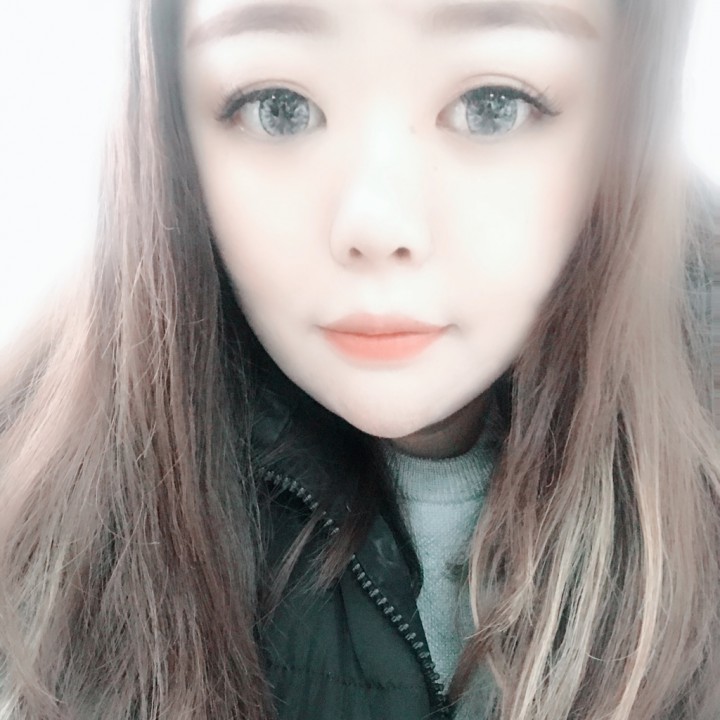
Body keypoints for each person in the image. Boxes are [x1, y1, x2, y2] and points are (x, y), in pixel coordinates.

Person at [0, 0, 719, 717]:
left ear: (626, 103)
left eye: (492, 105)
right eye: (279, 108)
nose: (376, 222)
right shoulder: (28, 507)